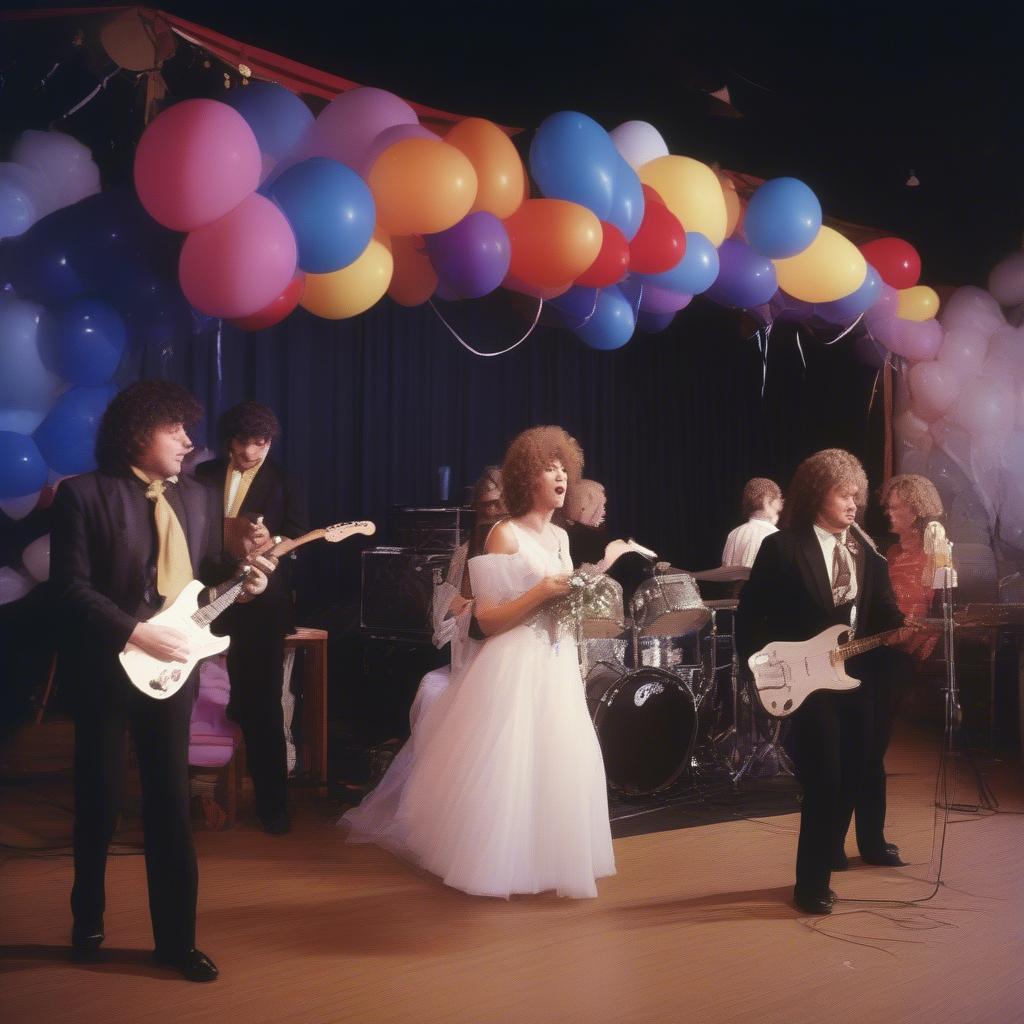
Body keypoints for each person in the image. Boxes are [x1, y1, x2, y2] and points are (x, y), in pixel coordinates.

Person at [50, 381, 277, 980]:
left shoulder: (199, 500)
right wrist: (134, 632)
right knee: (98, 803)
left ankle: (176, 942)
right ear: (137, 431)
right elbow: (70, 590)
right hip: (105, 669)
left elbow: (207, 582)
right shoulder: (82, 495)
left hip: (173, 673)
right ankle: (87, 920)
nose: (188, 439)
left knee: (170, 805)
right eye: (175, 428)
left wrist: (247, 585)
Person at [344, 426, 615, 898]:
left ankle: (545, 864)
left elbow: (561, 604)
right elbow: (486, 620)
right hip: (512, 663)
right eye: (549, 468)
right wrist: (542, 593)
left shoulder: (560, 538)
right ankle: (495, 865)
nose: (560, 477)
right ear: (527, 477)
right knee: (508, 764)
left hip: (554, 662)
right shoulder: (502, 535)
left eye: (563, 469)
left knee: (555, 761)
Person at [735, 449, 909, 915]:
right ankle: (810, 885)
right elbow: (750, 616)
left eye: (857, 495)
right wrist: (760, 672)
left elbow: (884, 609)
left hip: (857, 677)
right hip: (806, 681)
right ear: (817, 494)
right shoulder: (783, 547)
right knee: (824, 775)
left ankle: (830, 848)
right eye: (843, 495)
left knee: (856, 769)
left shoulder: (866, 553)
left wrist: (901, 624)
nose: (854, 505)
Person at [196, 402, 305, 835]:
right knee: (183, 701)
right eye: (246, 443)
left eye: (262, 443)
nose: (253, 452)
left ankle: (273, 809)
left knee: (262, 709)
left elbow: (299, 536)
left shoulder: (287, 480)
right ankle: (184, 799)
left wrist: (272, 541)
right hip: (204, 601)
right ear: (230, 441)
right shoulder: (202, 477)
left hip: (260, 608)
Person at [833, 474, 944, 870]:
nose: (888, 512)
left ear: (915, 508)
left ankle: (867, 842)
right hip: (872, 654)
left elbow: (934, 612)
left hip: (898, 658)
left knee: (870, 748)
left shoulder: (935, 551)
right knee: (863, 748)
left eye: (895, 505)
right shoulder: (890, 554)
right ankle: (856, 842)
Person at [722, 477, 783, 568]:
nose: (781, 505)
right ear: (767, 501)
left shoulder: (734, 533)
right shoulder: (774, 536)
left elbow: (724, 572)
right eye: (779, 499)